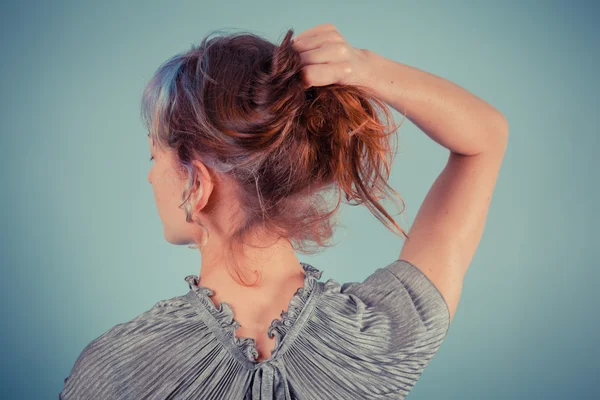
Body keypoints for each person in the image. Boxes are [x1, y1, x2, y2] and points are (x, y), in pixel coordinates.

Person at [59, 22, 508, 399]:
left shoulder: (117, 368)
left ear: (198, 184)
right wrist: (366, 67)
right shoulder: (383, 337)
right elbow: (485, 137)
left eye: (154, 156)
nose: (151, 176)